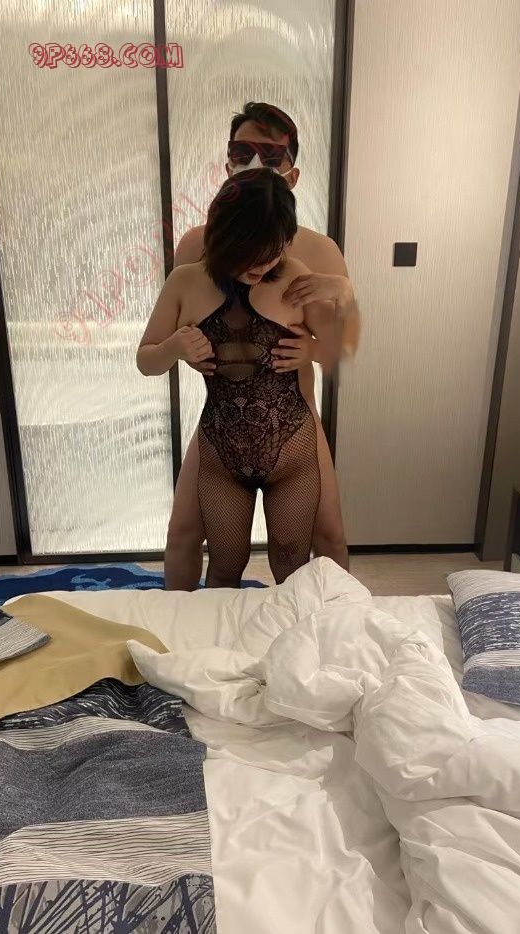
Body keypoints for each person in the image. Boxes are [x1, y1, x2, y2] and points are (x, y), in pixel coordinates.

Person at [164, 101, 360, 590]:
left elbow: (344, 344)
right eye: (242, 151)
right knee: (183, 534)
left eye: (270, 156)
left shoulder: (318, 250)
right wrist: (185, 347)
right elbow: (176, 322)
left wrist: (338, 307)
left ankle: (339, 624)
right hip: (224, 419)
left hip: (292, 419)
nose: (253, 163)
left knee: (330, 536)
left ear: (292, 174)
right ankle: (174, 629)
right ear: (227, 161)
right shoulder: (196, 245)